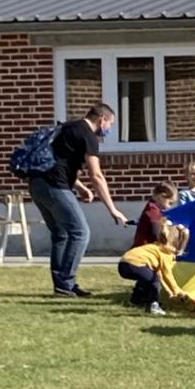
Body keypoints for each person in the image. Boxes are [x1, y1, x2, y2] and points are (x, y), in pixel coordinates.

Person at [29, 102, 131, 298]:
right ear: (102, 120)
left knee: (61, 234)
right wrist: (113, 209)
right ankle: (66, 284)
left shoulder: (67, 128)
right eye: (110, 124)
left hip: (37, 185)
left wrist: (81, 188)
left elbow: (59, 162)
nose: (109, 129)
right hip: (55, 187)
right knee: (80, 233)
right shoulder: (88, 136)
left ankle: (63, 285)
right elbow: (97, 175)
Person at [117, 222, 191, 316]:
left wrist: (170, 292)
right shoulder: (165, 253)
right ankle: (153, 306)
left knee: (149, 277)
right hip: (133, 264)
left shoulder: (157, 247)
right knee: (153, 279)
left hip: (124, 264)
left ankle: (136, 300)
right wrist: (178, 291)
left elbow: (160, 274)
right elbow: (167, 275)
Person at [133, 181, 178, 248]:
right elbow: (157, 233)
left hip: (141, 246)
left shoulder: (151, 205)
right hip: (145, 248)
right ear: (162, 196)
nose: (169, 207)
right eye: (170, 203)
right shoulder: (153, 210)